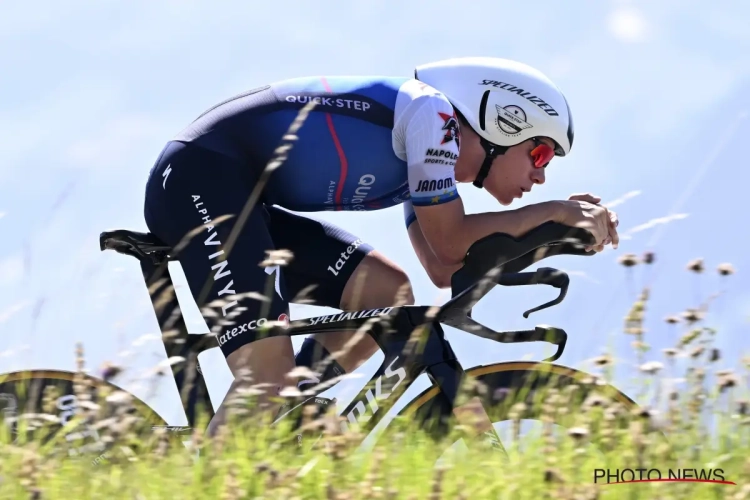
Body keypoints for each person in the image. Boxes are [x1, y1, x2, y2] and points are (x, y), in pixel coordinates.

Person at [142, 56, 619, 437]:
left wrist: (551, 233)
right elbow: (452, 239)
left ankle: (284, 427)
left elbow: (443, 264)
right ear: (503, 121)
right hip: (198, 178)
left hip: (233, 192)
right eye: (539, 153)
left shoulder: (433, 161)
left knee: (385, 293)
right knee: (266, 377)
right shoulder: (433, 117)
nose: (540, 174)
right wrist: (553, 212)